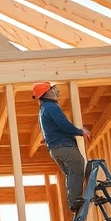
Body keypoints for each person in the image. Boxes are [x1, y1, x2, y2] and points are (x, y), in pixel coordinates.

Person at [32, 82, 92, 213]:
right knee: (77, 167)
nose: (56, 91)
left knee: (72, 173)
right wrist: (80, 131)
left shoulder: (44, 109)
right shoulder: (51, 107)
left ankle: (74, 201)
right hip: (63, 146)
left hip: (56, 149)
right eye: (53, 89)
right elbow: (63, 125)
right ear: (46, 93)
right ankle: (75, 201)